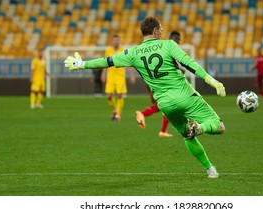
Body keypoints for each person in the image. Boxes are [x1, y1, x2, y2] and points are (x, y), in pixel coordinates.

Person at [64, 16, 226, 178]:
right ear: (155, 30)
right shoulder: (169, 45)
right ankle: (201, 128)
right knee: (218, 127)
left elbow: (107, 61)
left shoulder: (132, 53)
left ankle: (210, 169)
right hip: (186, 96)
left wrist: (82, 64)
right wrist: (212, 81)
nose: (162, 32)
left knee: (186, 135)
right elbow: (190, 64)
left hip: (165, 104)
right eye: (161, 29)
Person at [135, 30, 183, 138]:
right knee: (167, 106)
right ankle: (144, 115)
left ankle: (160, 128)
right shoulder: (166, 48)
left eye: (179, 40)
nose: (178, 42)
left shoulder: (163, 47)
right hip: (158, 83)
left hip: (156, 82)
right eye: (176, 39)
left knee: (164, 106)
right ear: (170, 38)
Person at [102, 35, 136, 121]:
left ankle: (118, 115)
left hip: (120, 76)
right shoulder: (108, 51)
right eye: (114, 40)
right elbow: (105, 63)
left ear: (119, 41)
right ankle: (115, 109)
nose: (116, 42)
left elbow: (129, 63)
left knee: (120, 95)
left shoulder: (123, 51)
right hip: (110, 76)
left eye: (117, 40)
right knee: (109, 96)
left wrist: (132, 76)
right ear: (112, 41)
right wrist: (103, 74)